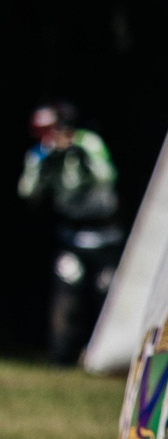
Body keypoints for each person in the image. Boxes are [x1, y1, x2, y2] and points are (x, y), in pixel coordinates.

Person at [17, 104, 121, 364]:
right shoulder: (41, 154)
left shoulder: (89, 142)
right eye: (41, 132)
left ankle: (104, 354)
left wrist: (79, 154)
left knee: (106, 290)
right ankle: (61, 356)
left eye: (52, 130)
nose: (49, 137)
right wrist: (45, 163)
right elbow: (28, 193)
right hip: (70, 235)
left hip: (104, 233)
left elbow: (107, 177)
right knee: (67, 293)